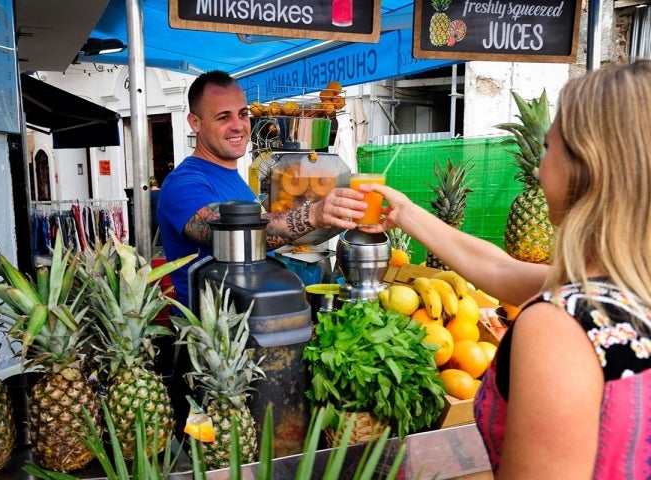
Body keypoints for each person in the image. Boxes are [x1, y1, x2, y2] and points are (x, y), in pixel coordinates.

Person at [361, 60, 651, 478]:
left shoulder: (559, 327)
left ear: (584, 168)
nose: (538, 167)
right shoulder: (624, 293)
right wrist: (405, 214)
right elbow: (499, 269)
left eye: (550, 148)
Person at [157, 70, 367, 309]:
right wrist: (313, 214)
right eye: (223, 117)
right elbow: (220, 229)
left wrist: (336, 218)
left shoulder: (233, 178)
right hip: (212, 333)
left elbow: (262, 235)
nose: (238, 126)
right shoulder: (184, 183)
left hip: (254, 319)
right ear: (195, 123)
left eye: (243, 114)